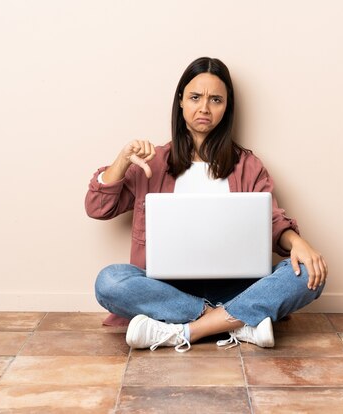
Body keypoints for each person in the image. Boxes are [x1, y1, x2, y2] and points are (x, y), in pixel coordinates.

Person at [85, 57, 328, 353]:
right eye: (195, 97)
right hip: (168, 288)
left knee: (308, 274)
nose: (204, 108)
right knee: (109, 281)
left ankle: (186, 331)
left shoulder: (248, 165)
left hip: (237, 286)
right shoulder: (155, 162)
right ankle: (238, 322)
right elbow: (98, 207)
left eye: (215, 99)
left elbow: (272, 221)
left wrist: (298, 243)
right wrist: (122, 160)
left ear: (227, 108)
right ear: (181, 102)